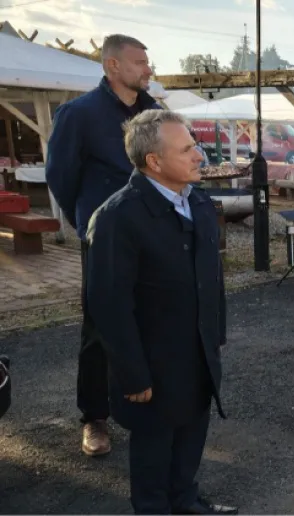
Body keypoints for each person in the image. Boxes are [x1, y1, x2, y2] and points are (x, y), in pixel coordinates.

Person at [86, 110, 235, 515]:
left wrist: (215, 336)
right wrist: (133, 373)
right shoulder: (118, 217)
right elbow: (109, 305)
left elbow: (212, 279)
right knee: (154, 457)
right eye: (187, 149)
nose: (199, 156)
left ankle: (186, 502)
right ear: (154, 161)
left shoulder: (199, 204)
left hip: (198, 355)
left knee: (190, 440)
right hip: (152, 367)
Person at [45, 34, 158, 457]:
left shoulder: (154, 113)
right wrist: (89, 223)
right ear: (112, 66)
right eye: (139, 62)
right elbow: (61, 178)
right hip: (106, 240)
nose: (147, 69)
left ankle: (147, 402)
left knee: (153, 320)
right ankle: (95, 417)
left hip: (154, 236)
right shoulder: (79, 114)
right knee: (100, 328)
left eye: (147, 61)